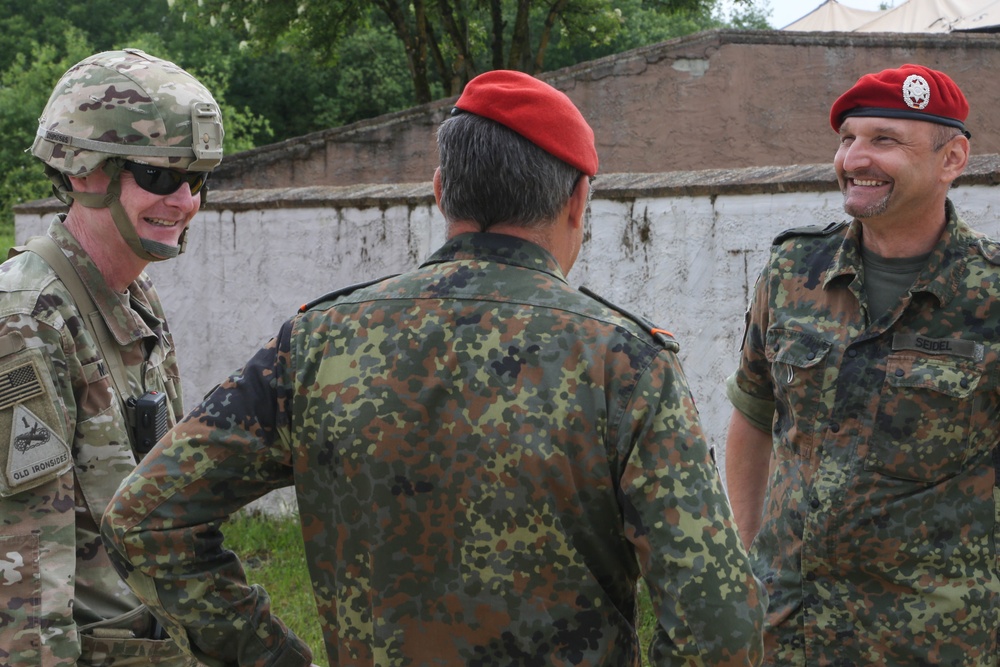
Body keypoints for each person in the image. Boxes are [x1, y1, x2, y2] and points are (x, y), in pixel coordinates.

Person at [101, 69, 765, 666]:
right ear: (578, 200)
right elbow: (719, 625)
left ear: (441, 190)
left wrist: (269, 655)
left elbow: (144, 516)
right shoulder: (623, 361)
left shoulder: (318, 344)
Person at [724, 63, 1000, 665]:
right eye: (848, 138)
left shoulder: (990, 295)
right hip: (788, 627)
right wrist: (749, 559)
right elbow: (753, 412)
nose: (854, 158)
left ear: (952, 158)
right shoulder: (794, 272)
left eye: (884, 140)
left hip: (932, 638)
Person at [0, 49, 224, 666]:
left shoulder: (131, 294)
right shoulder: (26, 318)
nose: (184, 201)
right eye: (157, 176)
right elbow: (22, 570)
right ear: (81, 171)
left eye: (197, 179)